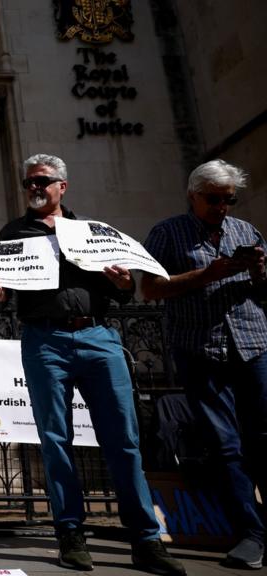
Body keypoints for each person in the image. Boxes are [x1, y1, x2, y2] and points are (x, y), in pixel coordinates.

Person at [0, 154, 185, 575]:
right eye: (29, 182)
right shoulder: (13, 233)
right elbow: (2, 289)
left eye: (43, 181)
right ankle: (70, 535)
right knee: (55, 440)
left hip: (97, 337)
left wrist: (123, 281)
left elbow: (125, 293)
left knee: (124, 440)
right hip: (44, 340)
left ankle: (146, 540)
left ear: (62, 186)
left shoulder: (91, 232)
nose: (35, 188)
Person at [141, 159, 266, 570]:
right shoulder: (167, 233)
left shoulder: (245, 231)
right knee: (226, 443)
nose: (222, 207)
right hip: (200, 350)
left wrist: (260, 270)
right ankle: (252, 533)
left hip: (252, 344)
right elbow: (151, 289)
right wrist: (205, 274)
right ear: (193, 195)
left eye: (229, 199)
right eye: (213, 199)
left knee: (262, 436)